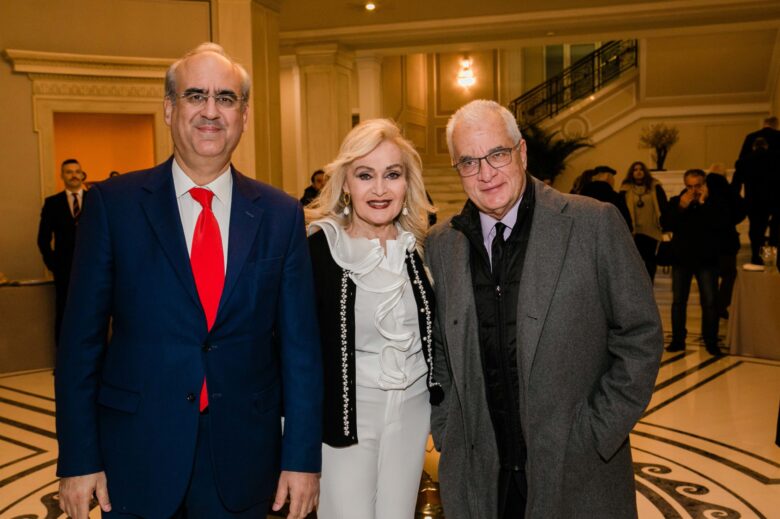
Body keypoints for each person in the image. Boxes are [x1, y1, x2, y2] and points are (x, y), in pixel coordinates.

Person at [55, 43, 322, 519]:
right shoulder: (113, 206)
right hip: (136, 456)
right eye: (196, 95)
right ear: (169, 108)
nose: (210, 111)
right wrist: (78, 458)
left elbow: (301, 349)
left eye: (226, 98)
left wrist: (301, 459)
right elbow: (80, 344)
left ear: (244, 116)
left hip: (243, 459)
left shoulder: (280, 214)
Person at [426, 100, 663, 518]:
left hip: (576, 469)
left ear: (521, 153)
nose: (485, 173)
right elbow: (438, 350)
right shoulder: (442, 244)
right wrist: (448, 428)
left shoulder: (592, 224)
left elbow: (640, 334)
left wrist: (595, 431)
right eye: (468, 162)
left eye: (497, 154)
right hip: (482, 476)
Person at [306, 118, 440, 519]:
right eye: (365, 175)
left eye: (392, 175)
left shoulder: (420, 248)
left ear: (407, 183)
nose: (380, 189)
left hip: (413, 413)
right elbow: (293, 349)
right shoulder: (319, 249)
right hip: (344, 418)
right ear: (346, 183)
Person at [662, 169, 730, 356]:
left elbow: (720, 225)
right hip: (682, 259)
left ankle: (711, 341)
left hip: (707, 259)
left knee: (710, 302)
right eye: (689, 186)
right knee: (678, 302)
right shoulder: (677, 201)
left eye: (697, 186)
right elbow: (666, 223)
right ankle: (677, 340)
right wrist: (681, 208)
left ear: (704, 185)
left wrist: (703, 204)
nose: (693, 190)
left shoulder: (715, 203)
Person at [37, 158, 86, 348]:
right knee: (64, 314)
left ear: (82, 174)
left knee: (95, 312)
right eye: (69, 172)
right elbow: (42, 239)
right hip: (65, 270)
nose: (74, 175)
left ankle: (98, 360)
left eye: (77, 171)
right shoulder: (52, 203)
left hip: (93, 269)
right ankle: (64, 358)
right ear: (62, 176)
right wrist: (54, 265)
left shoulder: (95, 200)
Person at [732, 137, 780, 263]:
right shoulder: (777, 158)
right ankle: (773, 257)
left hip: (754, 202)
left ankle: (757, 258)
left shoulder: (743, 161)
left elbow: (736, 185)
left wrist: (736, 201)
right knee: (776, 230)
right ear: (766, 146)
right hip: (776, 200)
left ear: (753, 147)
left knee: (756, 231)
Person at [705, 170, 746, 319]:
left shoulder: (709, 199)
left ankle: (714, 306)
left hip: (711, 243)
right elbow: (741, 211)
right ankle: (721, 305)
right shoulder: (729, 196)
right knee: (729, 275)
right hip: (728, 243)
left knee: (714, 277)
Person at [620, 160, 668, 281]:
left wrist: (664, 225)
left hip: (651, 230)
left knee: (650, 260)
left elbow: (663, 206)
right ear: (631, 173)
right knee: (634, 261)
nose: (638, 172)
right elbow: (621, 208)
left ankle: (649, 284)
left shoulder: (655, 187)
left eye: (641, 169)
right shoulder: (625, 189)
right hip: (634, 231)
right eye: (635, 170)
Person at [579, 164, 633, 230]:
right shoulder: (615, 197)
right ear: (607, 177)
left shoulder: (582, 193)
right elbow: (626, 224)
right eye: (612, 177)